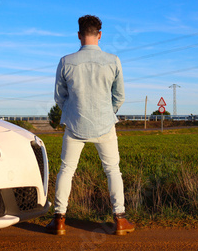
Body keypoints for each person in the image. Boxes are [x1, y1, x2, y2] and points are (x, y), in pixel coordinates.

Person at [46, 15, 135, 236]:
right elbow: (120, 96)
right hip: (105, 125)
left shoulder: (66, 61)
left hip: (74, 125)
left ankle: (59, 220)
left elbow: (59, 97)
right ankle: (121, 220)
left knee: (66, 170)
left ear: (79, 35)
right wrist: (107, 112)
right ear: (100, 34)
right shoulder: (113, 60)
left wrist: (74, 111)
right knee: (113, 170)